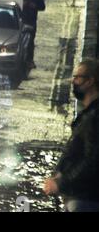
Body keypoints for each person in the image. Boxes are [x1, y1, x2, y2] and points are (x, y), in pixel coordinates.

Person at [43, 59, 99, 212]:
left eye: (77, 77)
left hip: (85, 200)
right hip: (78, 198)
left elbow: (92, 161)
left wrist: (61, 183)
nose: (73, 82)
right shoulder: (89, 114)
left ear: (90, 81)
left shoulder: (94, 117)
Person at [22, 0, 45, 69]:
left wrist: (35, 6)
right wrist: (24, 4)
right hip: (22, 20)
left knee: (30, 41)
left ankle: (29, 60)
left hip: (31, 21)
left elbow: (42, 7)